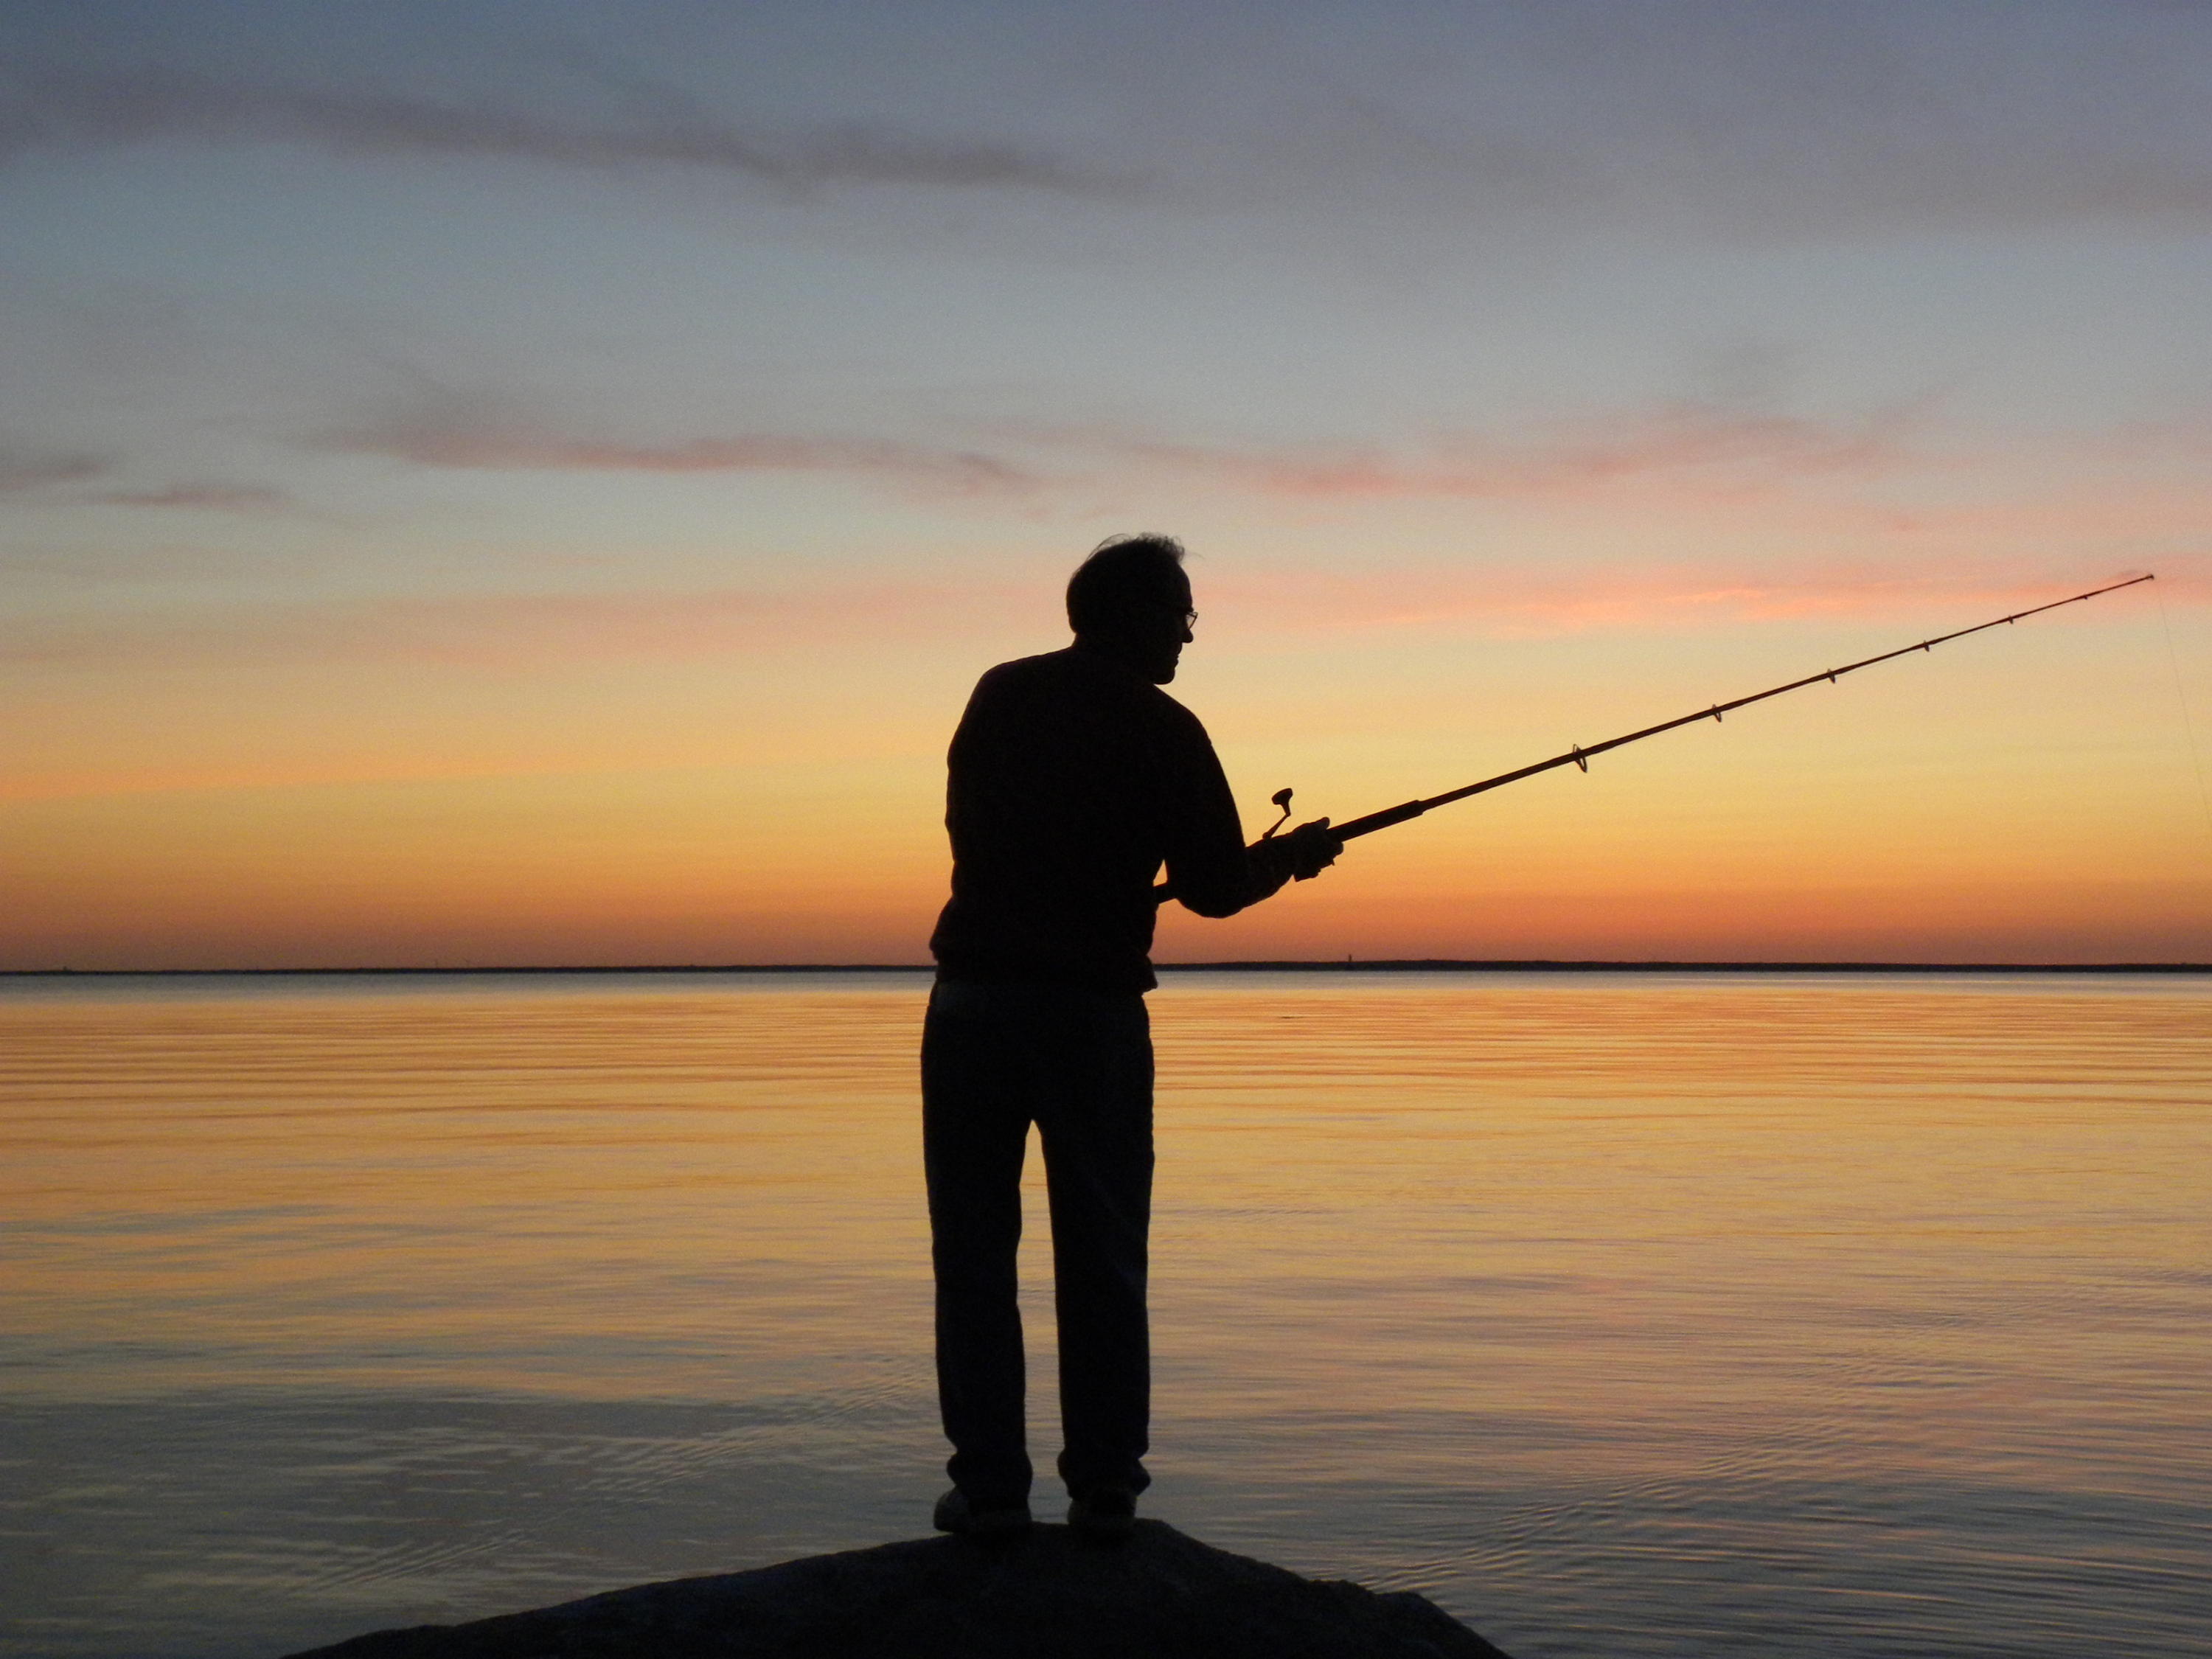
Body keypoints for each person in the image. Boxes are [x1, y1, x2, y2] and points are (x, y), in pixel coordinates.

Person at [922, 533, 1343, 1542]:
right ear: (1129, 613)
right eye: (1179, 612)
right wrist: (1287, 862)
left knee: (974, 1255)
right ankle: (1105, 1485)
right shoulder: (1165, 727)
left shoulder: (998, 694)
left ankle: (987, 1490)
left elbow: (977, 833)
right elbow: (1210, 887)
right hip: (1089, 1016)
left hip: (971, 1004)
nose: (1190, 632)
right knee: (1104, 1252)